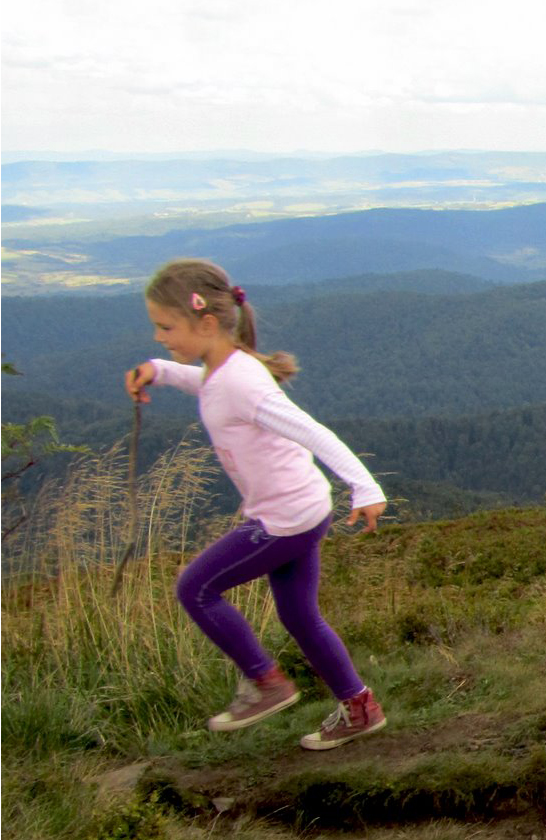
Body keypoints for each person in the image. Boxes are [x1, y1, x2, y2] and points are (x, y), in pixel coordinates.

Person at [124, 259, 389, 751]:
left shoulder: (242, 382)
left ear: (206, 323)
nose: (159, 336)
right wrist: (160, 371)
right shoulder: (225, 370)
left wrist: (365, 487)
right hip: (305, 510)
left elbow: (313, 432)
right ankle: (360, 707)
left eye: (166, 327)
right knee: (300, 617)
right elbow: (207, 386)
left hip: (284, 520)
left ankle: (265, 682)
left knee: (195, 588)